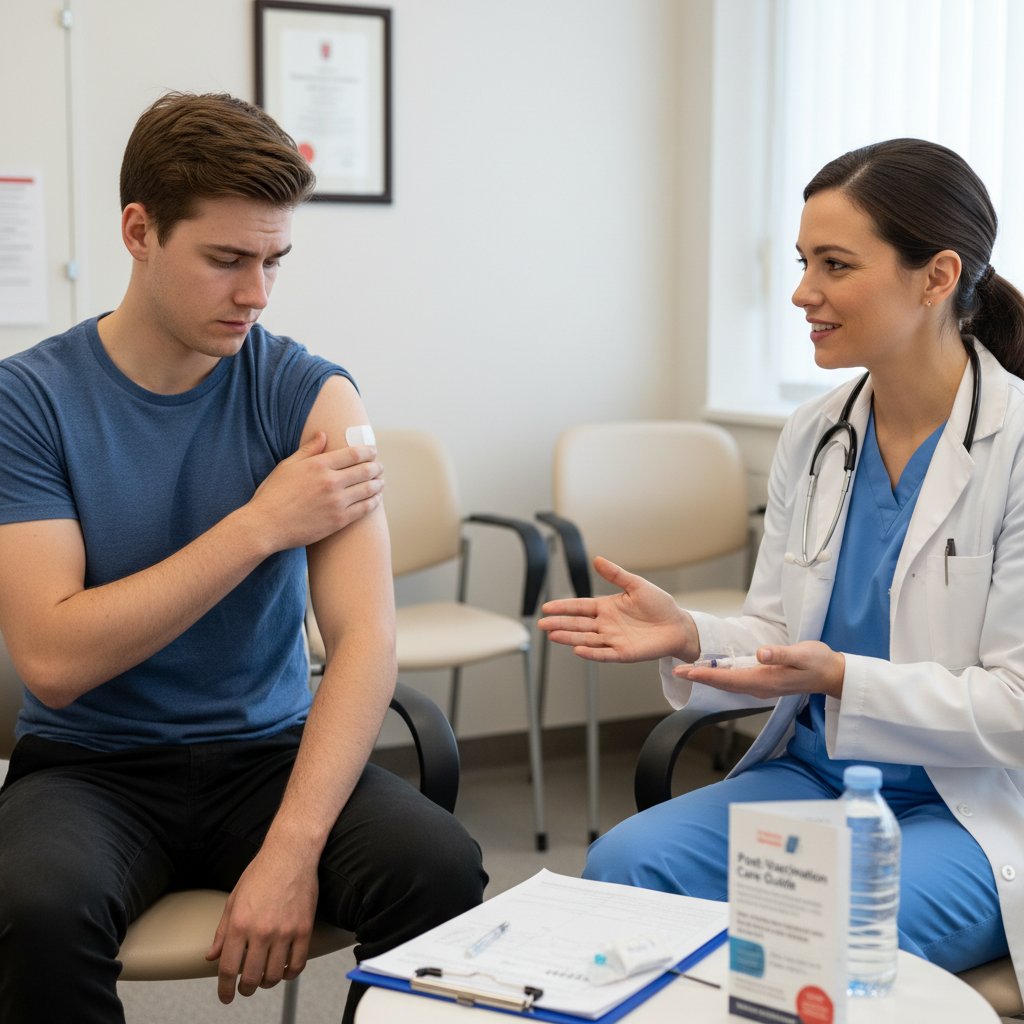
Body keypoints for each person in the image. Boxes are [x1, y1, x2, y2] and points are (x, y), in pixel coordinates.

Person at [0, 92, 486, 1024]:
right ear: (139, 232)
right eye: (226, 259)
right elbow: (55, 662)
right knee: (33, 910)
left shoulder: (316, 396)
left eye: (274, 261)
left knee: (440, 867)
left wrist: (293, 848)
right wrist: (259, 525)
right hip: (90, 765)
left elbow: (366, 638)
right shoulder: (29, 402)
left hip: (268, 757)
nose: (256, 294)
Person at [539, 138, 1024, 990]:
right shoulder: (818, 431)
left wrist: (842, 678)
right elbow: (778, 627)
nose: (803, 292)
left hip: (972, 807)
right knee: (624, 870)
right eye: (805, 262)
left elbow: (1017, 705)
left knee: (811, 950)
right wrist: (690, 631)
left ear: (938, 276)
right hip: (812, 775)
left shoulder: (1016, 445)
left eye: (835, 265)